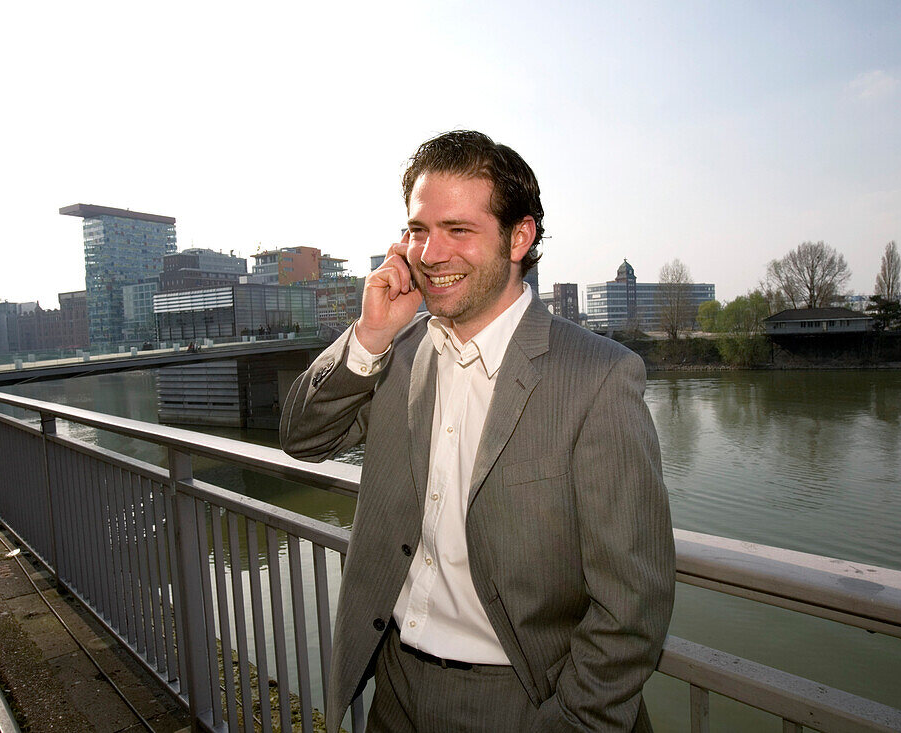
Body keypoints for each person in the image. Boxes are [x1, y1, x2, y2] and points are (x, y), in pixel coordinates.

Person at [281, 130, 674, 732]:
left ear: (520, 237)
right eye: (418, 230)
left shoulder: (598, 377)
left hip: (519, 700)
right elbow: (303, 438)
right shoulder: (397, 353)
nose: (430, 253)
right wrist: (369, 336)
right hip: (394, 687)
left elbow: (632, 603)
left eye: (458, 230)